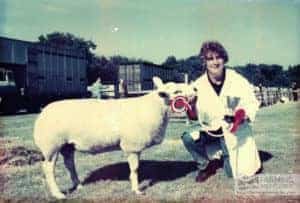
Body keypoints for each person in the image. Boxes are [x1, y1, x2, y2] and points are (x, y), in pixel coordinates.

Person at [182, 41, 261, 182]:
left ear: (224, 59)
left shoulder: (237, 80)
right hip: (210, 129)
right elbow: (193, 118)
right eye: (210, 58)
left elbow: (251, 102)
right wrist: (192, 104)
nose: (215, 62)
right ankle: (205, 166)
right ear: (204, 62)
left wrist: (242, 117)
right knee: (188, 137)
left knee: (234, 173)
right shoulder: (198, 85)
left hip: (231, 131)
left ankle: (223, 154)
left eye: (218, 57)